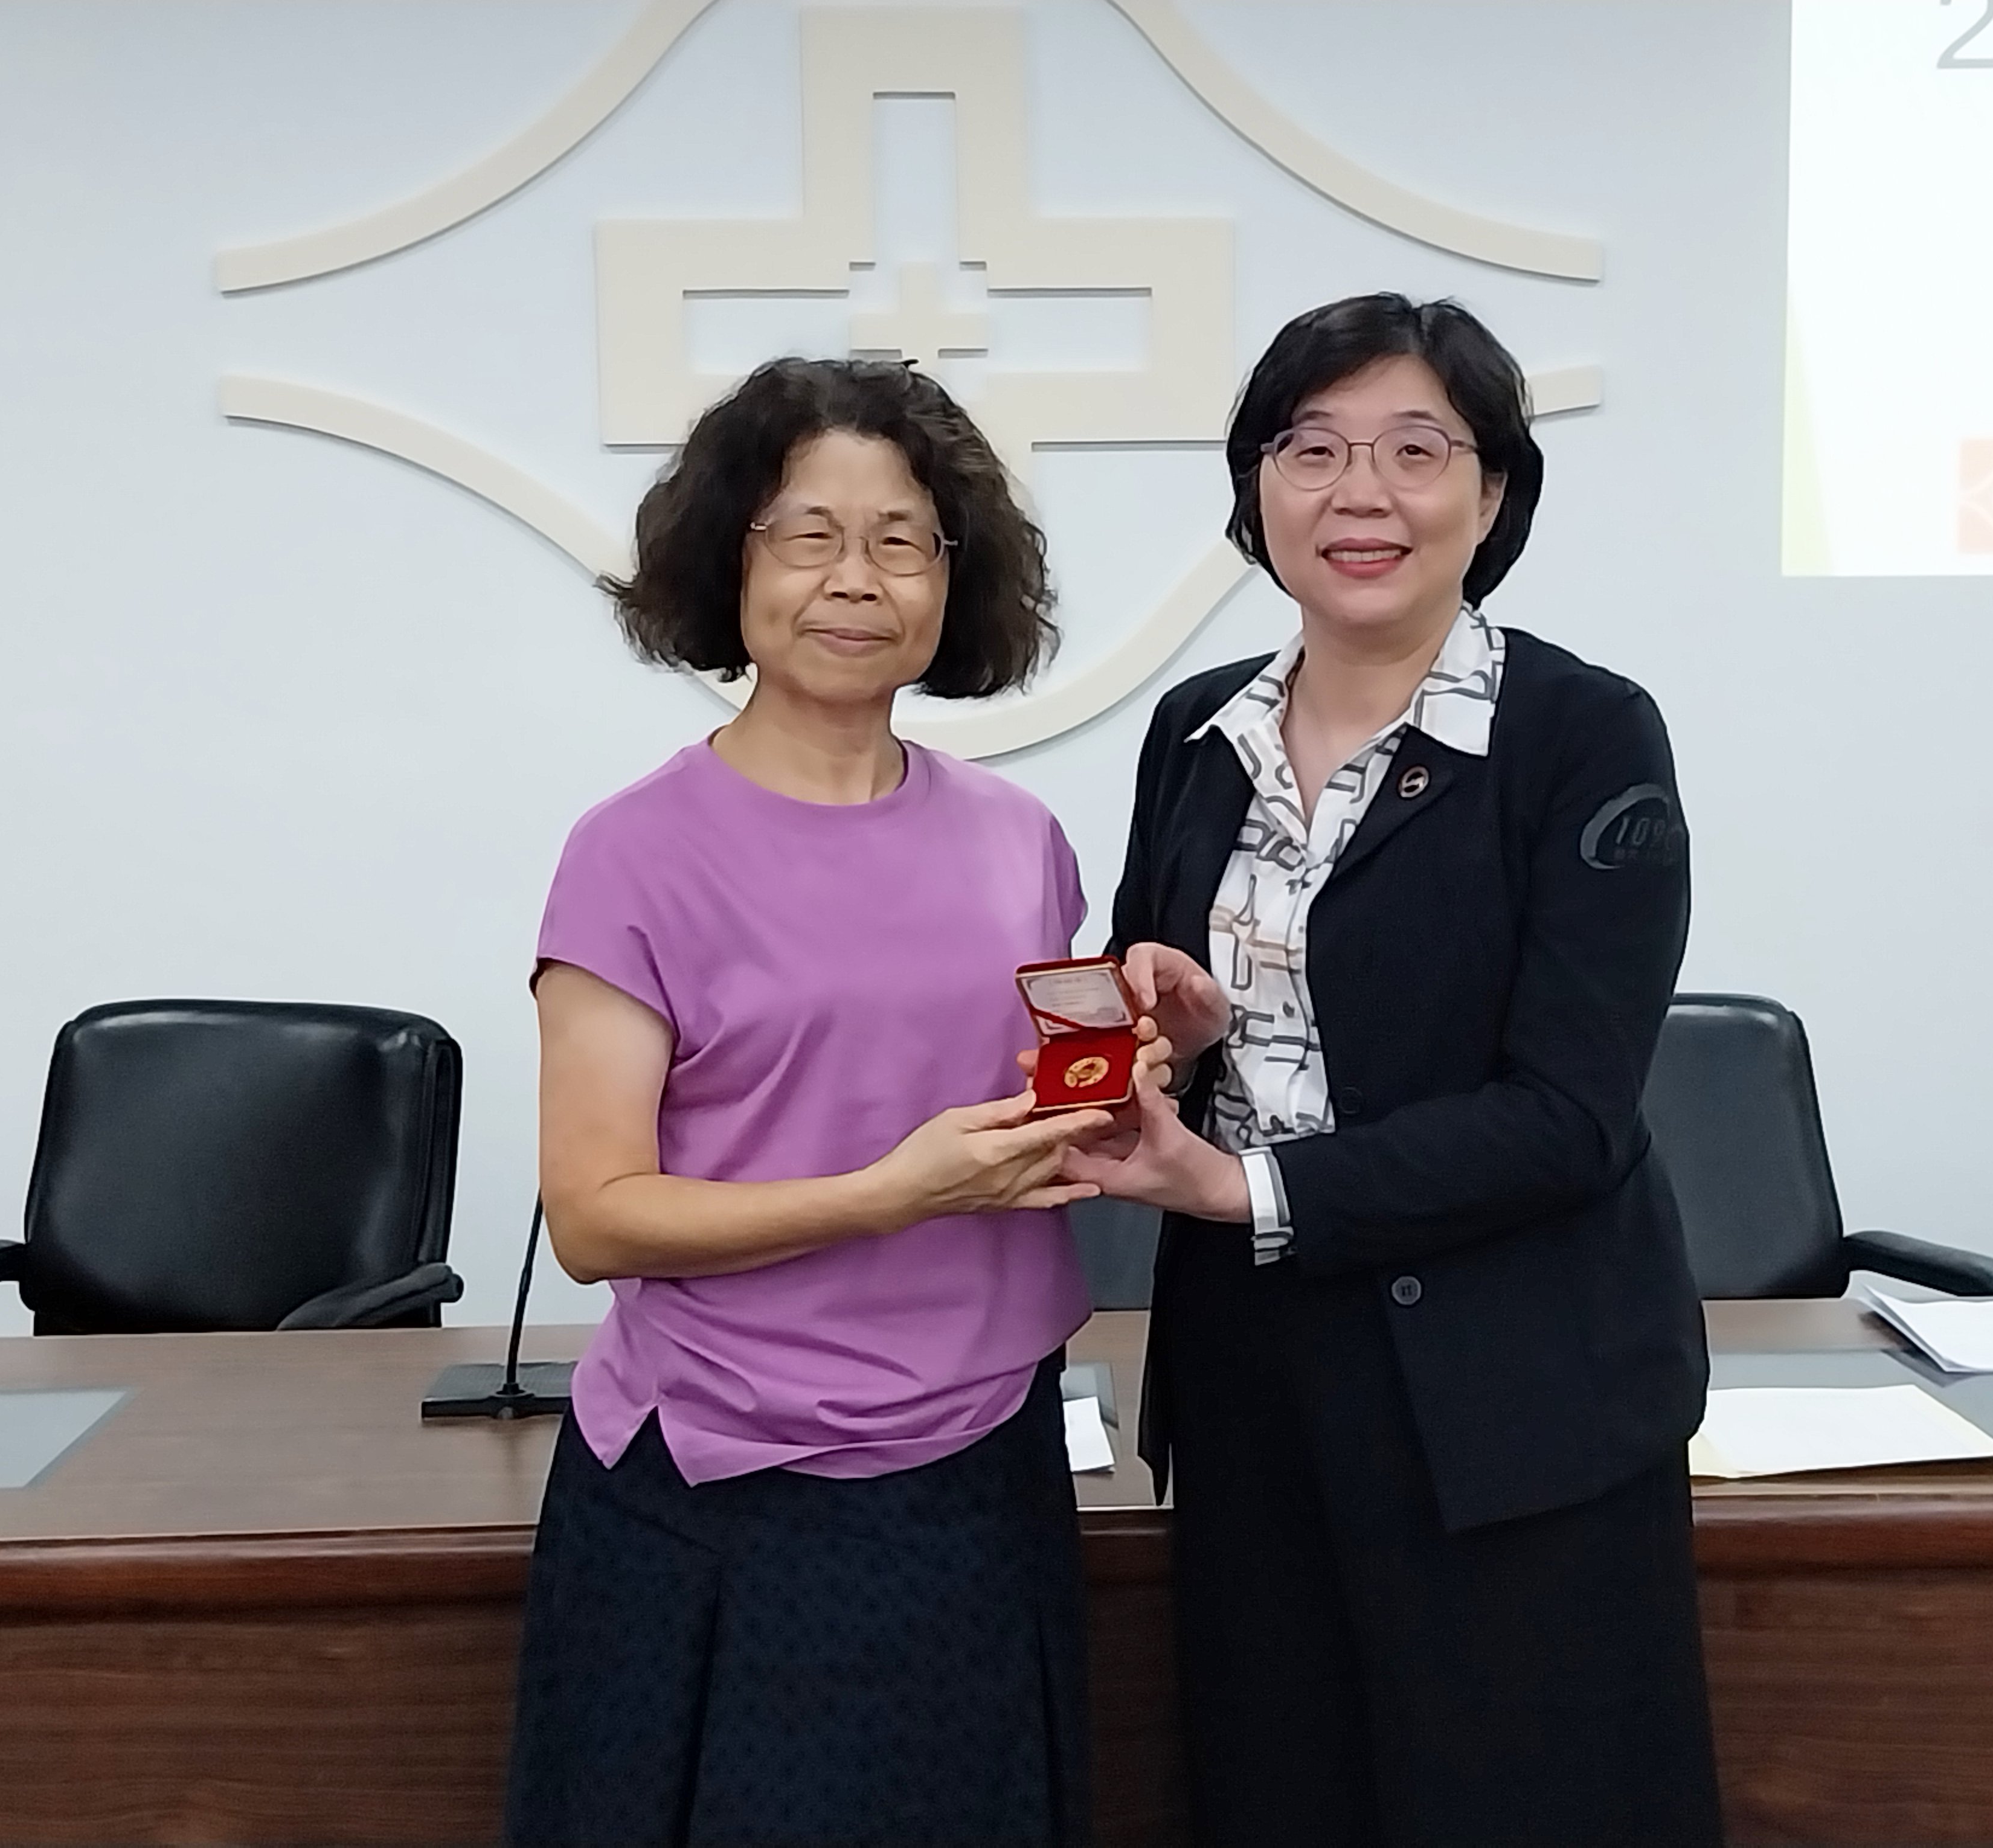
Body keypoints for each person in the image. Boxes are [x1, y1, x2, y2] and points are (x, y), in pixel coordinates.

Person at [1062, 295, 1724, 1846]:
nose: (1360, 494)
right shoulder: (1196, 732)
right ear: (1258, 488)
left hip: (1516, 1398)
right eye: (1313, 450)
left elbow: (1567, 1117)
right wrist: (1173, 1032)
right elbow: (1176, 1011)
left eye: (1416, 451)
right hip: (1253, 1387)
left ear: (1492, 496)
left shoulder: (1583, 736)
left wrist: (1241, 1185)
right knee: (1278, 1794)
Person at [505, 356, 1147, 1848]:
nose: (855, 578)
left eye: (901, 539)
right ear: (727, 562)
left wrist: (1132, 1074)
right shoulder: (631, 854)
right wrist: (888, 1197)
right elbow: (595, 1220)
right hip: (729, 1490)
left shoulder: (1021, 839)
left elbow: (1040, 1119)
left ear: (952, 579)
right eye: (808, 535)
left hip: (987, 1474)